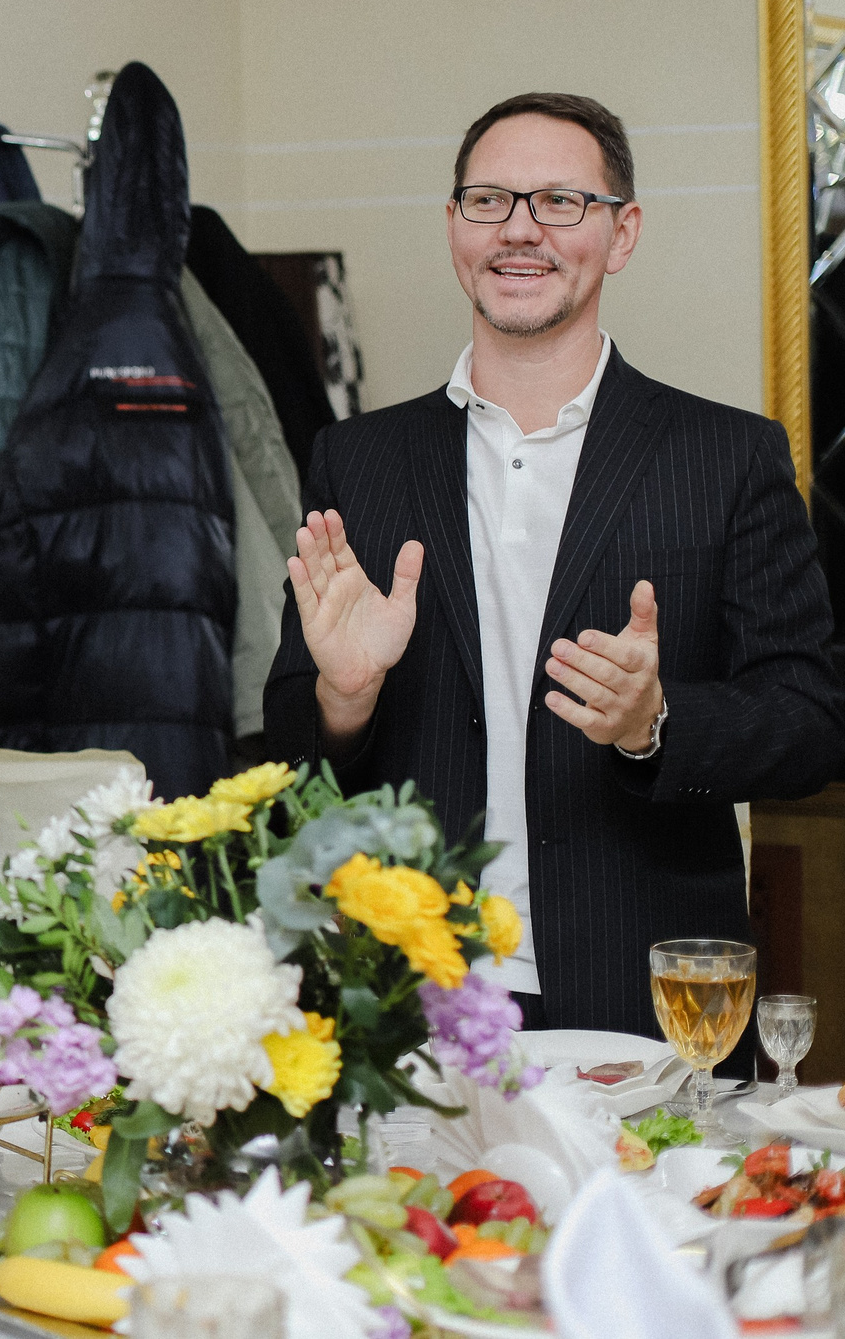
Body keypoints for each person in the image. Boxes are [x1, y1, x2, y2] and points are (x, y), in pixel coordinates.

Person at [265, 91, 845, 1038]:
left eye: (561, 202)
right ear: (454, 227)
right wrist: (345, 693)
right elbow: (291, 743)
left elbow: (814, 723)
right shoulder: (357, 458)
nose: (520, 229)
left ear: (622, 234)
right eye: (489, 200)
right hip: (405, 997)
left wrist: (656, 721)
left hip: (645, 995)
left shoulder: (725, 455)